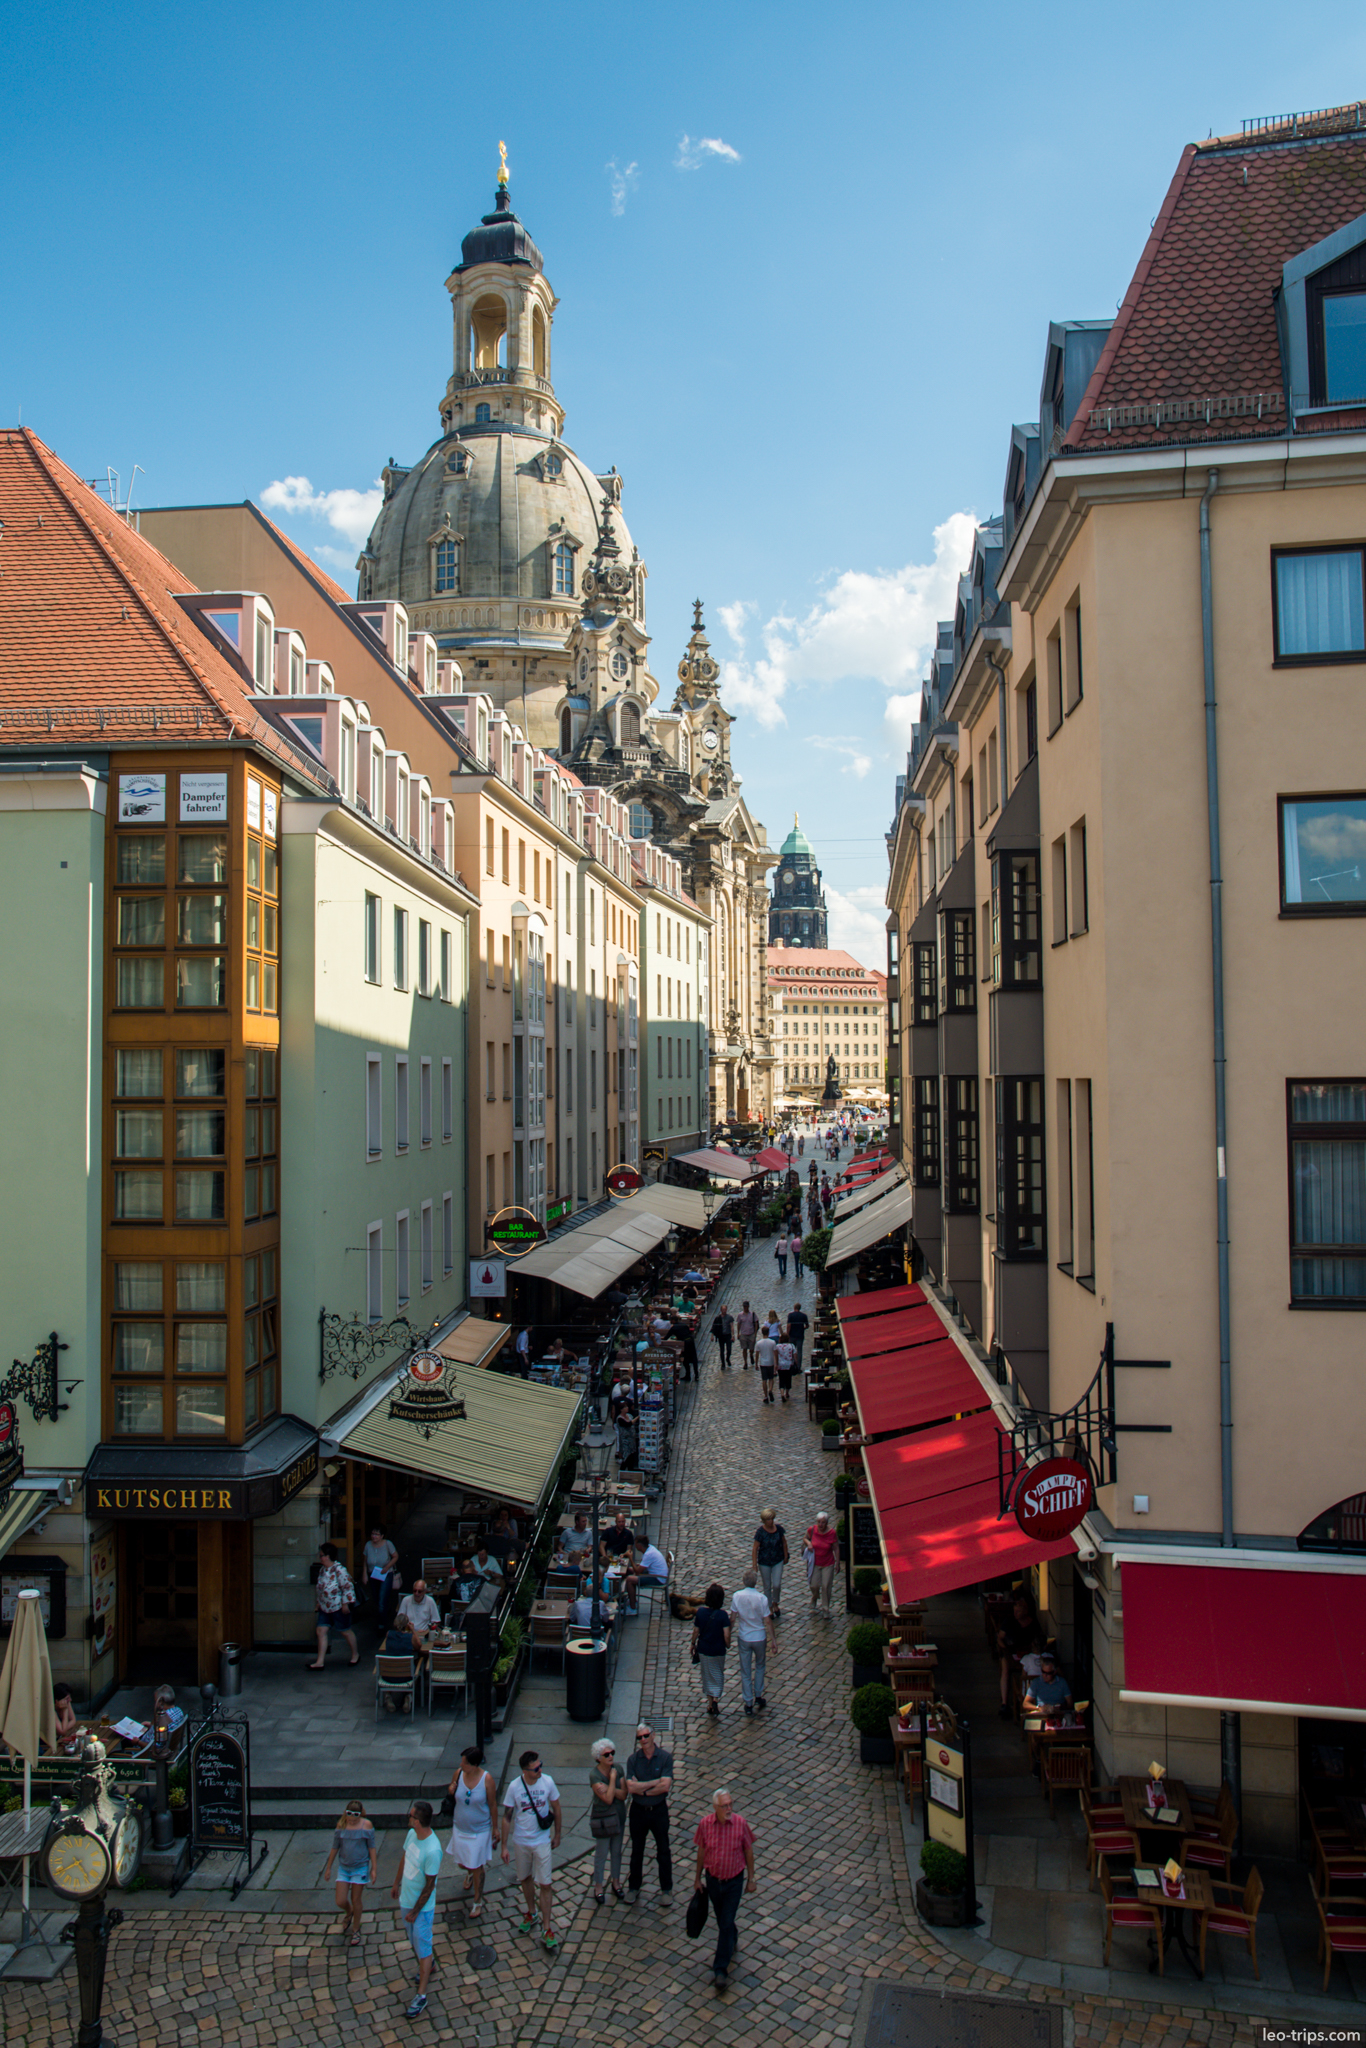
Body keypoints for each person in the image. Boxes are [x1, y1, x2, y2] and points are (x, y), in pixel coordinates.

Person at [692, 1787, 756, 1990]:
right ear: (715, 1808)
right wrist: (697, 1878)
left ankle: (720, 1969)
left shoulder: (740, 1824)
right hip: (713, 1881)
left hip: (734, 1882)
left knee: (725, 1922)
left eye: (730, 1804)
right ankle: (732, 1935)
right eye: (724, 1806)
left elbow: (748, 1851)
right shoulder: (705, 1825)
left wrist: (751, 1878)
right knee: (723, 1921)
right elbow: (702, 1851)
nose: (729, 1808)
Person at [502, 1749, 562, 1952]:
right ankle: (531, 1911)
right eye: (536, 1768)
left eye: (540, 1765)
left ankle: (547, 1927)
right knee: (525, 1878)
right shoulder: (514, 1787)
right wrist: (503, 1845)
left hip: (541, 1840)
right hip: (521, 1841)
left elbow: (557, 1808)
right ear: (525, 1770)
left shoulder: (548, 1782)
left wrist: (557, 1835)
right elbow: (507, 1816)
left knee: (545, 1883)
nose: (540, 1770)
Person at [391, 1798, 442, 2017]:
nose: (408, 1818)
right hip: (406, 1899)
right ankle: (429, 1964)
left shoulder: (433, 1850)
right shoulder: (413, 1834)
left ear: (418, 1821)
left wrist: (415, 1911)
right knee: (415, 1941)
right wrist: (396, 1883)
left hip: (420, 1908)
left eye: (411, 1816)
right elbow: (405, 1856)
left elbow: (430, 1886)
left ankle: (421, 1995)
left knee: (422, 1945)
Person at [444, 1745, 497, 1919]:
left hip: (479, 1830)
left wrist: (495, 1827)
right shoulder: (458, 1774)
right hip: (460, 1827)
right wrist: (451, 1790)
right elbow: (452, 1792)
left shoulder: (486, 1780)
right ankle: (468, 1873)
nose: (461, 1765)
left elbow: (492, 1804)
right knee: (462, 1863)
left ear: (474, 1765)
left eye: (465, 1762)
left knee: (477, 1866)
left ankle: (477, 1900)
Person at [324, 1798, 377, 1946]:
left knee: (356, 1898)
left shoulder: (366, 1826)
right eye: (350, 1817)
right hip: (344, 1867)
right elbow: (335, 1847)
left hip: (360, 1867)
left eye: (355, 1818)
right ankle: (349, 1912)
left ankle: (355, 1929)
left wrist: (374, 1868)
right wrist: (328, 1867)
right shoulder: (341, 1826)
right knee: (340, 1900)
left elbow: (371, 1847)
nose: (352, 1821)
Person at [730, 1568, 776, 1715]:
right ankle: (758, 1694)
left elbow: (733, 1618)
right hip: (759, 1637)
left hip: (744, 1636)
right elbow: (767, 1621)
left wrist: (728, 1634)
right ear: (756, 1582)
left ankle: (748, 1701)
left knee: (745, 1670)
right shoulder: (762, 1598)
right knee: (760, 1666)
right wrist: (773, 1640)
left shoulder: (737, 1596)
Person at [588, 1736, 627, 1903]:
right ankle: (598, 1886)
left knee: (617, 1850)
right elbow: (608, 1799)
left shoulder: (618, 1768)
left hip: (618, 1815)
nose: (611, 1756)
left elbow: (623, 1794)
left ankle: (616, 1882)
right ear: (599, 1758)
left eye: (612, 1753)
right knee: (602, 1852)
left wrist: (610, 1789)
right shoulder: (594, 1775)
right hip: (603, 1818)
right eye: (606, 1755)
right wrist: (612, 1781)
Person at [308, 1543, 359, 1669]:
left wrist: (345, 1603)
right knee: (321, 1630)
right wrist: (318, 1603)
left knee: (345, 1631)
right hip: (325, 1607)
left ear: (328, 1556)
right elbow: (319, 1589)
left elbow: (347, 1587)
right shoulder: (322, 1570)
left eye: (322, 1555)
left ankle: (355, 1654)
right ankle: (320, 1661)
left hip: (338, 1607)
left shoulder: (339, 1570)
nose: (320, 1558)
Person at [994, 1593, 1043, 1718]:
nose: (1016, 1612)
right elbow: (1000, 1637)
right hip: (1010, 1653)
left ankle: (1026, 1695)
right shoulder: (1010, 1621)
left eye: (1019, 1610)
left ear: (1026, 1610)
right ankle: (1005, 1703)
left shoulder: (1033, 1624)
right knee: (1005, 1668)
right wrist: (1005, 1649)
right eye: (1015, 1609)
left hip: (1027, 1654)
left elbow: (1036, 1640)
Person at [690, 1583, 731, 1717]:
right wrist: (727, 1644)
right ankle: (716, 1698)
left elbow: (696, 1631)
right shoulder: (723, 1615)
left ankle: (709, 1703)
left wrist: (692, 1643)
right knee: (718, 1673)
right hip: (718, 1650)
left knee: (707, 1675)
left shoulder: (701, 1612)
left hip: (704, 1649)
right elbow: (726, 1634)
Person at [752, 1510, 789, 1617]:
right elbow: (755, 1548)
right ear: (764, 1521)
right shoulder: (760, 1532)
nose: (771, 1521)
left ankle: (775, 1602)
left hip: (778, 1560)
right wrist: (754, 1564)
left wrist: (785, 1555)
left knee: (777, 1584)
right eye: (768, 1519)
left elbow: (784, 1542)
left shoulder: (779, 1530)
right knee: (767, 1586)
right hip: (764, 1562)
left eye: (772, 1518)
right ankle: (769, 1607)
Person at [377, 1612, 417, 1712]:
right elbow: (419, 1646)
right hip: (406, 1676)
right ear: (407, 1625)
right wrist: (413, 1630)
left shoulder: (389, 1634)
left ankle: (388, 1695)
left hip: (388, 1676)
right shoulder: (410, 1638)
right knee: (417, 1666)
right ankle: (408, 1695)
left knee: (392, 1665)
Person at [363, 1525, 399, 1628]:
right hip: (373, 1574)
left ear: (382, 1536)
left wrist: (387, 1567)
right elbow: (365, 1560)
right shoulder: (368, 1545)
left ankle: (382, 1624)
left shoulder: (388, 1544)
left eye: (377, 1534)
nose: (374, 1536)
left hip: (385, 1574)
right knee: (376, 1597)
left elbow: (395, 1556)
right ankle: (384, 1611)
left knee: (382, 1598)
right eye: (373, 1534)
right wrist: (364, 1574)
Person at [804, 1511, 839, 1615]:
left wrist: (837, 1562)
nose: (820, 1525)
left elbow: (836, 1548)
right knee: (813, 1585)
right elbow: (805, 1538)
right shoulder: (812, 1530)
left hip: (828, 1563)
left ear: (827, 1522)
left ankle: (825, 1608)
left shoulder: (831, 1533)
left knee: (826, 1585)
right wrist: (809, 1543)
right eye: (819, 1522)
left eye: (823, 1522)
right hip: (815, 1563)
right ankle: (815, 1597)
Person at [1023, 1649, 1073, 1718]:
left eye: (1048, 1673)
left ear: (1054, 1672)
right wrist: (1039, 1708)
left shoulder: (1062, 1682)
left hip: (1058, 1715)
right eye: (1043, 1672)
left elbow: (1070, 1703)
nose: (1045, 1675)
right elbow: (1025, 1704)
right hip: (1042, 1714)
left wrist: (1060, 1708)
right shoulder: (1036, 1682)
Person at [755, 1324, 778, 1405]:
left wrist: (756, 1364)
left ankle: (765, 1396)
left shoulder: (759, 1343)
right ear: (768, 1333)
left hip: (763, 1363)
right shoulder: (772, 1342)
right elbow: (775, 1354)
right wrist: (776, 1364)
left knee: (764, 1380)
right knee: (771, 1378)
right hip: (770, 1363)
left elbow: (757, 1354)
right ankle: (770, 1390)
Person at [710, 1303, 734, 1370]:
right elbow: (714, 1327)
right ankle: (723, 1363)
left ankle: (727, 1358)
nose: (724, 1310)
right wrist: (712, 1336)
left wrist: (733, 1335)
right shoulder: (717, 1318)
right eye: (723, 1309)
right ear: (721, 1310)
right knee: (722, 1350)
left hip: (728, 1335)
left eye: (725, 1309)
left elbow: (732, 1326)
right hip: (721, 1335)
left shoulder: (729, 1317)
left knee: (729, 1349)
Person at [735, 1302, 758, 1370]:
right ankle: (745, 1362)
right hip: (744, 1334)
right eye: (744, 1306)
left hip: (751, 1333)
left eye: (746, 1306)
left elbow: (756, 1323)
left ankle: (751, 1355)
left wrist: (755, 1333)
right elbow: (738, 1324)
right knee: (744, 1348)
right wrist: (738, 1333)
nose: (745, 1308)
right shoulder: (740, 1315)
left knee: (751, 1348)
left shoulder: (752, 1314)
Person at [775, 1332, 797, 1403]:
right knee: (788, 1379)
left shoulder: (778, 1346)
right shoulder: (791, 1346)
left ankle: (782, 1393)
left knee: (781, 1379)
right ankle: (787, 1392)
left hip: (780, 1365)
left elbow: (775, 1355)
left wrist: (776, 1364)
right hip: (789, 1365)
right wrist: (796, 1362)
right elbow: (795, 1355)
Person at [787, 1301, 809, 1369]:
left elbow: (789, 1325)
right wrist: (803, 1328)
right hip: (800, 1336)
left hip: (792, 1335)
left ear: (794, 1308)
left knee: (791, 1351)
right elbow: (807, 1325)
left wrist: (787, 1334)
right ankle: (799, 1366)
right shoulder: (804, 1316)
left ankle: (792, 1364)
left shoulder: (790, 1315)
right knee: (799, 1351)